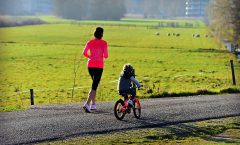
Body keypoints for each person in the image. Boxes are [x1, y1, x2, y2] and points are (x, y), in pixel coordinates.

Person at [82, 27, 108, 113]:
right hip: (99, 66)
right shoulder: (104, 43)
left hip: (90, 65)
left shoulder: (89, 42)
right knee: (94, 86)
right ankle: (87, 103)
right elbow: (106, 55)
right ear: (102, 34)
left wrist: (91, 57)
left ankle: (93, 104)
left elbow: (84, 53)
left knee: (94, 85)